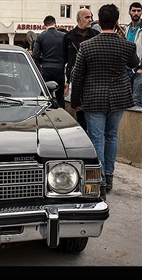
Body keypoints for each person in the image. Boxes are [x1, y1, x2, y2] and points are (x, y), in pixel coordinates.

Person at [70, 3, 141, 199]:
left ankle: (99, 180)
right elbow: (135, 64)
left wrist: (75, 100)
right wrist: (122, 36)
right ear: (117, 22)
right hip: (118, 98)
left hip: (93, 98)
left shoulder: (86, 46)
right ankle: (109, 176)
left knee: (96, 138)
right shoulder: (126, 44)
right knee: (112, 136)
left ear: (98, 22)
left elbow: (78, 76)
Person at [62, 8, 100, 131]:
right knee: (80, 114)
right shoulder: (68, 37)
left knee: (93, 117)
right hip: (76, 79)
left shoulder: (96, 35)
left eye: (91, 17)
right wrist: (67, 81)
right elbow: (65, 60)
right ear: (79, 19)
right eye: (87, 17)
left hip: (93, 78)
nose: (90, 20)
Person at [32, 15, 66, 109]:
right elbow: (68, 53)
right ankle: (62, 116)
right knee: (60, 96)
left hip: (46, 69)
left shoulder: (41, 37)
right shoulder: (63, 36)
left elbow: (35, 55)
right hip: (59, 69)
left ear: (44, 26)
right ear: (55, 24)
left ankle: (43, 113)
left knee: (44, 95)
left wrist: (43, 62)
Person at [124, 2, 142, 107]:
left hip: (139, 69)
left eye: (139, 11)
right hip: (126, 69)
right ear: (129, 12)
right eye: (134, 10)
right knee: (127, 101)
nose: (136, 13)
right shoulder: (126, 29)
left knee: (137, 101)